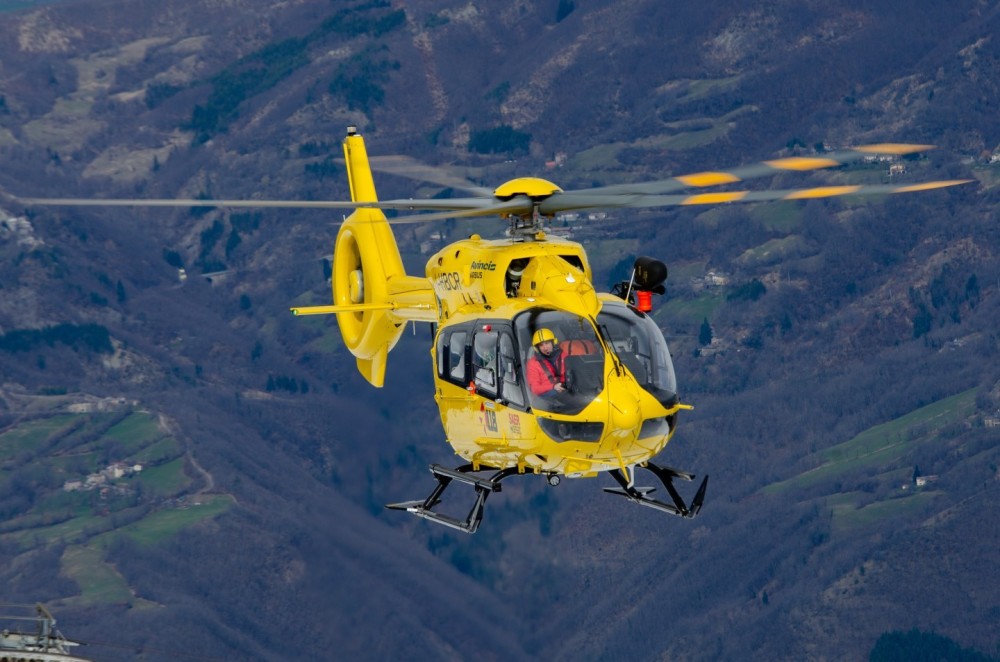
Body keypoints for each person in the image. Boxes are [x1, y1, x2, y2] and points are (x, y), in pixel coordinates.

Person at [527, 328, 567, 397]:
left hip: (566, 390)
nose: (545, 348)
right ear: (537, 348)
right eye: (541, 345)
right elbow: (534, 388)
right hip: (548, 397)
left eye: (547, 343)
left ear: (553, 342)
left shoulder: (564, 355)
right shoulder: (533, 363)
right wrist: (553, 386)